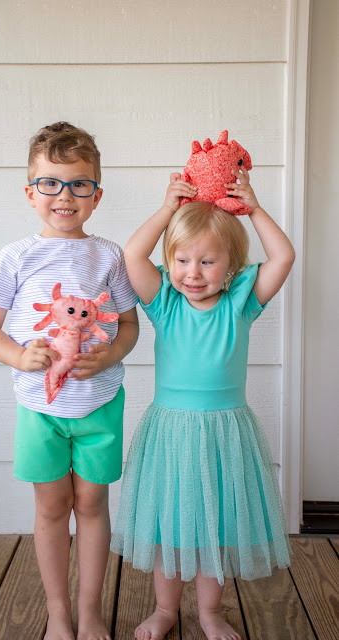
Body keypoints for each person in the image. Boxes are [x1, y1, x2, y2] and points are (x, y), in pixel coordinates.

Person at [111, 167, 295, 640]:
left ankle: (211, 612)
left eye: (208, 263)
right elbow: (133, 253)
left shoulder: (241, 301)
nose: (193, 273)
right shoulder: (164, 303)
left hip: (225, 432)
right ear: (169, 263)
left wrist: (253, 209)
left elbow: (283, 255)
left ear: (231, 267)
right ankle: (165, 610)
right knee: (170, 523)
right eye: (182, 261)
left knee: (216, 526)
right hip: (171, 432)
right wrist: (168, 209)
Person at [0, 122, 139, 640]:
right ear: (31, 192)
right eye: (50, 183)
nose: (64, 195)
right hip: (39, 407)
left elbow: (129, 325)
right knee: (51, 507)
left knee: (91, 504)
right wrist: (20, 357)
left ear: (96, 195)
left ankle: (90, 613)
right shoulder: (16, 257)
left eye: (78, 184)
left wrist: (109, 351)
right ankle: (59, 615)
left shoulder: (110, 256)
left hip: (99, 403)